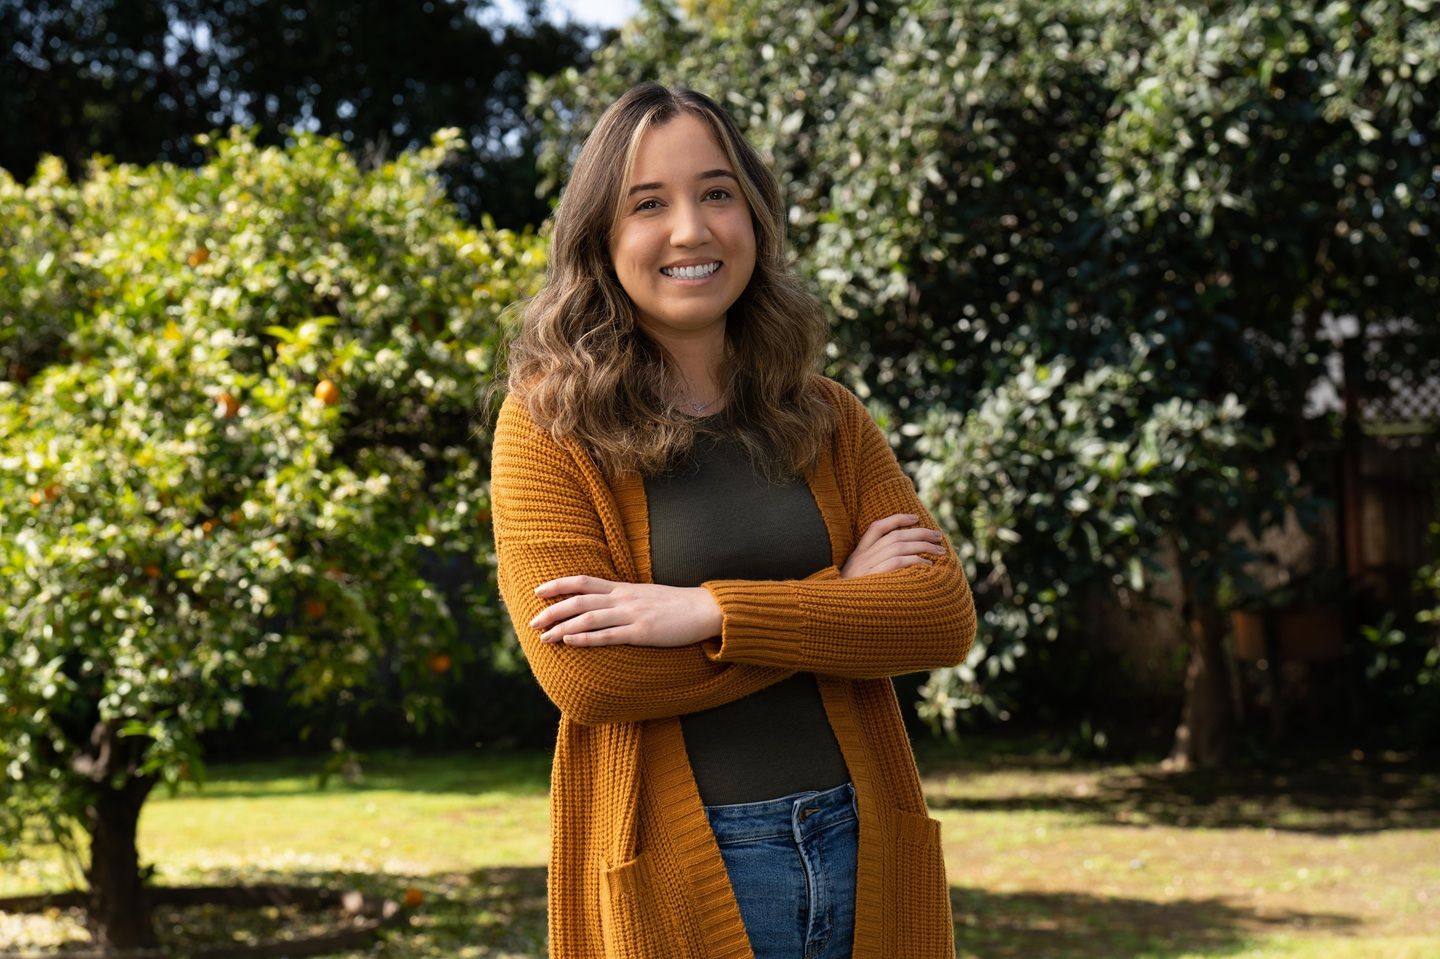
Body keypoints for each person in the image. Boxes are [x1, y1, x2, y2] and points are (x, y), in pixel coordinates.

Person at [489, 82, 976, 959]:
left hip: (859, 835)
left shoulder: (826, 416)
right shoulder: (550, 425)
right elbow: (591, 681)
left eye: (717, 192)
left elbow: (938, 616)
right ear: (600, 238)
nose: (691, 229)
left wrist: (708, 613)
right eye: (649, 204)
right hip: (685, 859)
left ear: (753, 214)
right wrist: (836, 601)